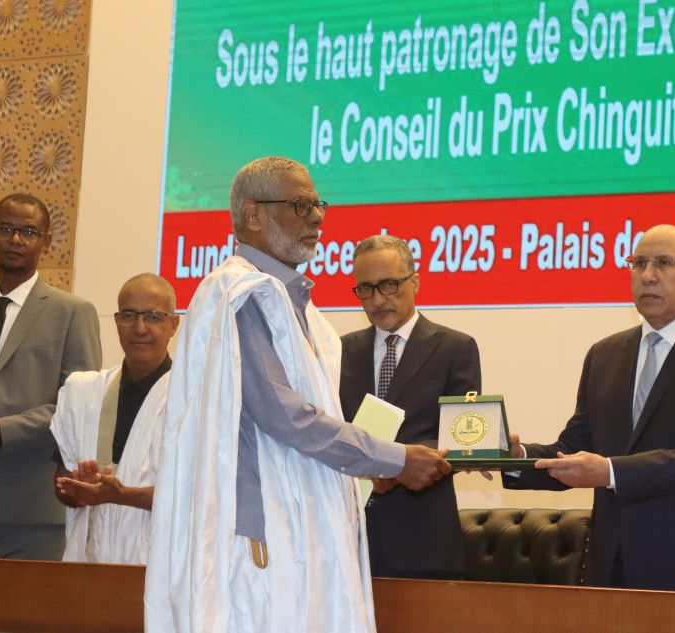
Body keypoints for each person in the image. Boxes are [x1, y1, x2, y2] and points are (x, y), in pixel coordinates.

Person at [145, 157, 452, 633]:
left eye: (318, 204)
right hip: (259, 539)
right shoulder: (239, 293)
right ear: (254, 215)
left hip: (301, 528)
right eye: (301, 205)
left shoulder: (303, 311)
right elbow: (284, 415)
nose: (317, 217)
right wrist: (392, 459)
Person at [505, 224, 675, 593]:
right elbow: (576, 447)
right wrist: (516, 458)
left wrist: (610, 471)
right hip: (611, 558)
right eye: (639, 263)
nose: (647, 276)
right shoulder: (605, 354)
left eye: (663, 263)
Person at [0, 193, 101, 560]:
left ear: (46, 242)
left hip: (28, 514)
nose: (16, 239)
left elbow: (78, 408)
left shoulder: (72, 313)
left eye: (28, 232)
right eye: (6, 229)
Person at [340, 235, 481, 580]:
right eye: (365, 289)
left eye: (388, 285)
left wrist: (392, 464)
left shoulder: (455, 348)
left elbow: (462, 437)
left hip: (422, 539)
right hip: (347, 540)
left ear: (414, 282)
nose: (377, 299)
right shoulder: (339, 351)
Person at [50, 273, 179, 564]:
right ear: (117, 322)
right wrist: (79, 489)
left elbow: (198, 496)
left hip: (162, 567)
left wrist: (120, 495)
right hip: (89, 565)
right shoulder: (84, 392)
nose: (140, 328)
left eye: (154, 316)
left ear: (174, 324)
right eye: (129, 316)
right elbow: (62, 481)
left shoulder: (194, 398)